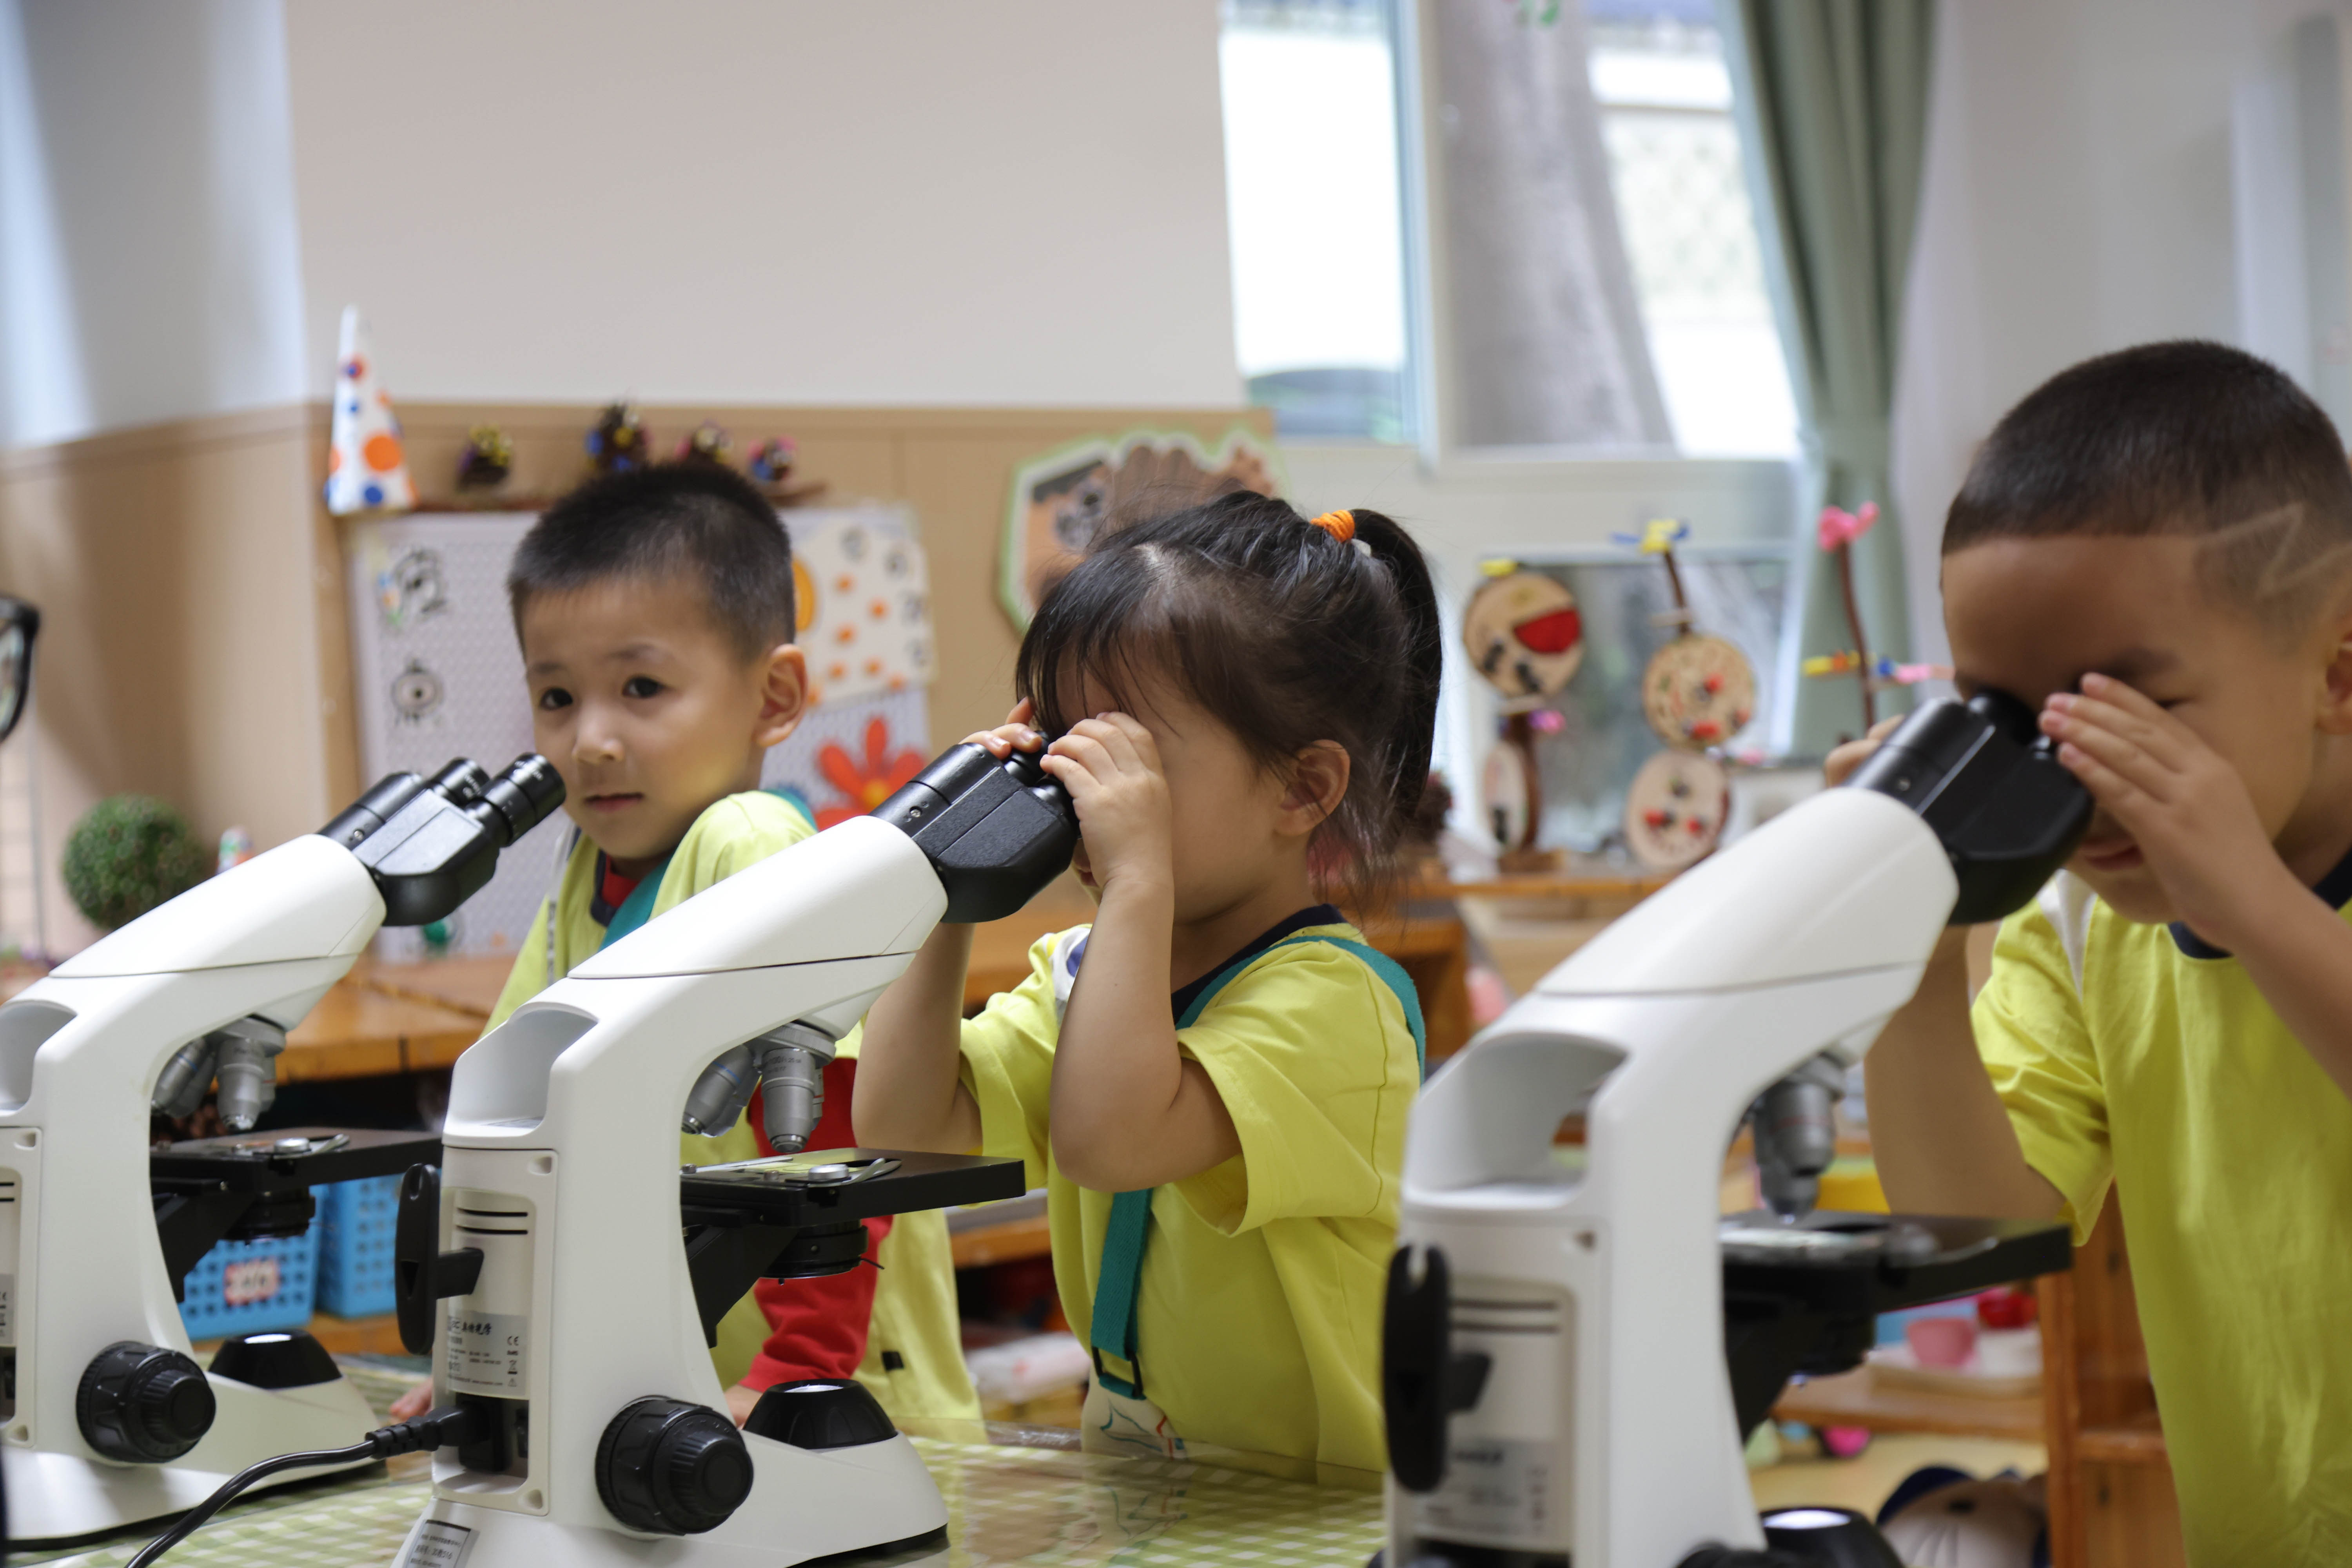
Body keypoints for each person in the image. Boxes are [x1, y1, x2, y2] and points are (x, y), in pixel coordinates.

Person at [1842, 341, 2352, 1563]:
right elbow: (1976, 1220)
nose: (2071, 776)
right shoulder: (2076, 927)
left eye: (2131, 714)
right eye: (2010, 722)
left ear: (2337, 672)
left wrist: (2254, 905)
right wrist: (1915, 968)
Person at [853, 493, 1441, 1475]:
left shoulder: (1336, 1007)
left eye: (1130, 755)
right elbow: (906, 1131)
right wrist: (949, 886)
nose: (1081, 788)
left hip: (1330, 1511)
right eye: (1064, 742)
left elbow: (1112, 1140)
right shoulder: (1087, 974)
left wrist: (1136, 877)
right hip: (1163, 1500)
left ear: (1302, 789)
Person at [390, 462, 978, 1429]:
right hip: (690, 1398)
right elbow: (512, 1127)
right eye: (556, 698)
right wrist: (486, 1352)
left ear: (774, 697)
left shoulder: (751, 845)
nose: (592, 740)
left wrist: (799, 1369)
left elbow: (837, 1141)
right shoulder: (583, 871)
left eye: (642, 687)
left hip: (830, 1408)